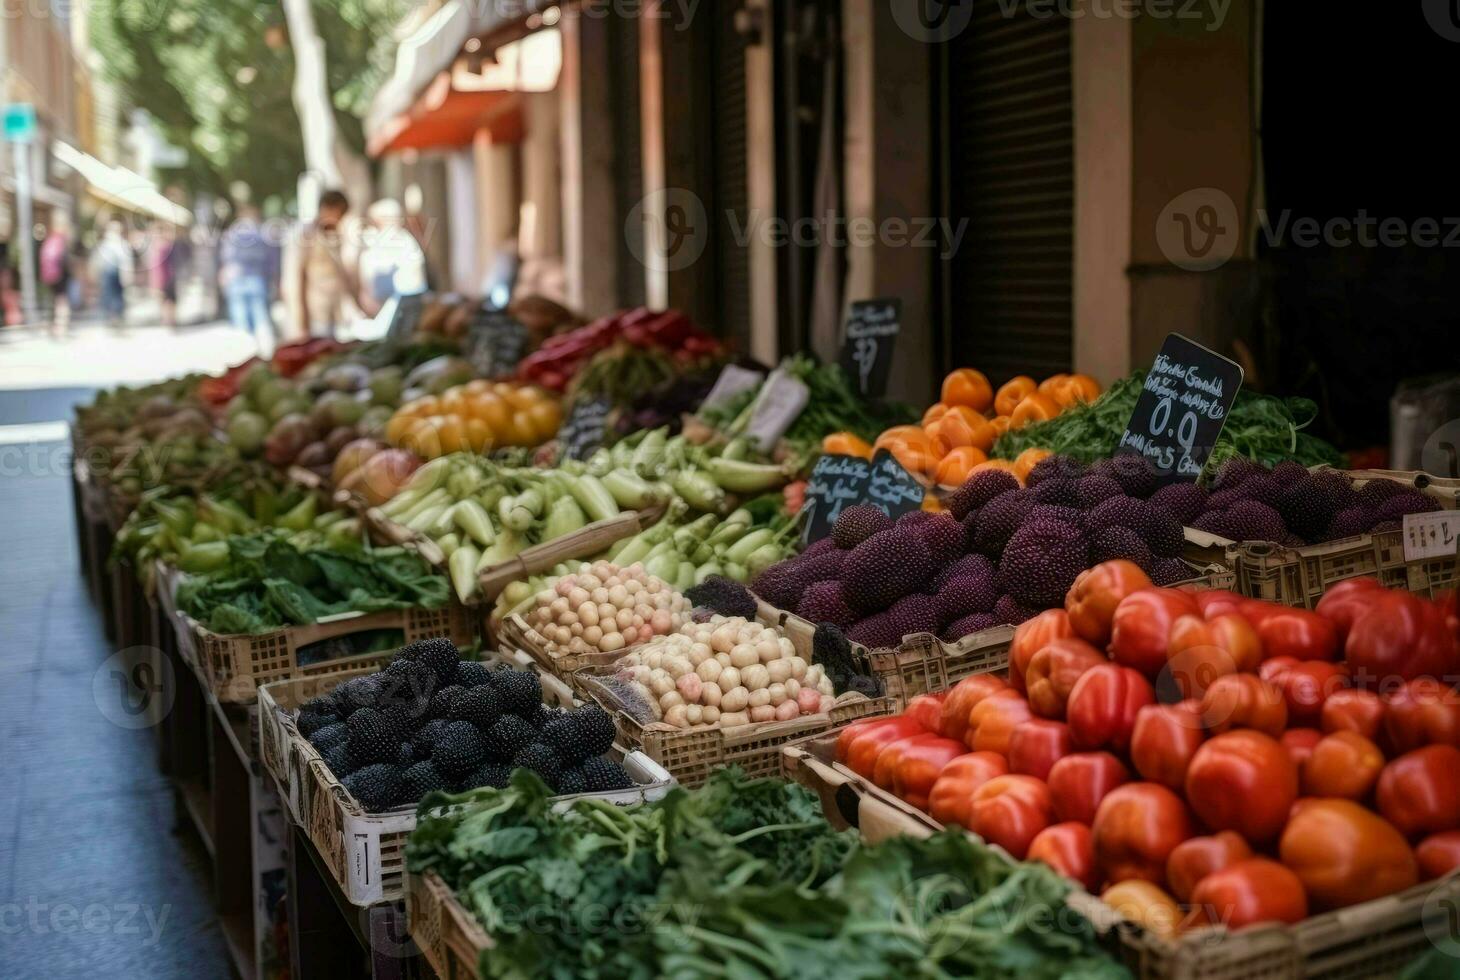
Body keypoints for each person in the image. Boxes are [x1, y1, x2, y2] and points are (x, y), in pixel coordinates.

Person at [219, 205, 280, 356]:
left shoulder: (232, 233)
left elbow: (226, 257)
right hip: (256, 279)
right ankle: (266, 352)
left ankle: (246, 355)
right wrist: (274, 278)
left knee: (241, 320)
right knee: (261, 317)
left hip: (237, 280)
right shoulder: (261, 234)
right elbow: (271, 260)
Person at [355, 198, 428, 316]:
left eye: (375, 223)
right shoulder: (402, 240)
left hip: (399, 308)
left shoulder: (401, 241)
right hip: (392, 308)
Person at [297, 189, 352, 338]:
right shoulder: (308, 234)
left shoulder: (336, 235)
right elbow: (297, 278)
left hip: (336, 310)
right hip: (316, 311)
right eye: (339, 213)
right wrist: (302, 320)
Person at [91, 220, 133, 329]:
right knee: (111, 296)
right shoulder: (110, 243)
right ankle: (113, 317)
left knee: (113, 296)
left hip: (113, 273)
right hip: (109, 273)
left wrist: (127, 274)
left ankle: (114, 317)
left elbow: (126, 260)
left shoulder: (114, 243)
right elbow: (98, 259)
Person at [40, 214, 74, 337]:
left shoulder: (50, 239)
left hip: (50, 276)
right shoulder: (62, 240)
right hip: (61, 276)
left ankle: (54, 327)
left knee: (54, 301)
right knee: (62, 302)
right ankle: (61, 328)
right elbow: (66, 260)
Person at [146, 222, 181, 328]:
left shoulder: (162, 247)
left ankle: (169, 320)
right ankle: (169, 320)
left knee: (167, 300)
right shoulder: (162, 247)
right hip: (165, 277)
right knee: (167, 300)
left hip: (166, 278)